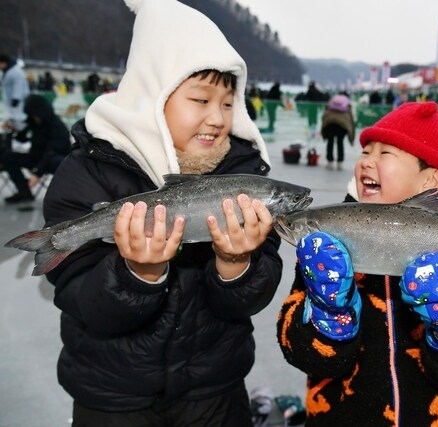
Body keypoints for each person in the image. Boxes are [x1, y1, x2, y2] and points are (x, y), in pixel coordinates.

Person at [42, 0, 282, 425]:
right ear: (152, 96)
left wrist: (235, 262)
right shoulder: (89, 170)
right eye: (200, 99)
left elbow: (249, 299)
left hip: (216, 390)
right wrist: (138, 272)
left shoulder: (244, 178)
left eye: (228, 103)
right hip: (112, 395)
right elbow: (83, 300)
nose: (217, 118)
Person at [277, 102, 438, 426]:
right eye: (365, 151)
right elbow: (302, 354)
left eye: (386, 154)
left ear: (430, 181)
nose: (367, 162)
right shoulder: (328, 246)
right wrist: (326, 311)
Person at [2, 93, 71, 204]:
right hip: (38, 157)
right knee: (8, 157)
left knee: (57, 161)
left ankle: (66, 196)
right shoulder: (34, 123)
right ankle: (24, 192)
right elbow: (23, 138)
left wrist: (38, 173)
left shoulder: (57, 126)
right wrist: (12, 131)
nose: (35, 118)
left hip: (53, 160)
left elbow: (52, 151)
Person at [320, 92, 355, 171]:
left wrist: (323, 130)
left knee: (330, 142)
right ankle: (340, 163)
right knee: (340, 142)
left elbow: (325, 114)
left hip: (330, 123)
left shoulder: (332, 101)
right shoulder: (347, 104)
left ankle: (329, 162)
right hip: (342, 125)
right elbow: (351, 121)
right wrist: (351, 139)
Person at [0, 53, 30, 133]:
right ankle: (14, 135)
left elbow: (19, 85)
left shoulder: (16, 72)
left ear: (4, 63)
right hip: (10, 101)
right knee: (11, 119)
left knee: (19, 119)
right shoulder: (5, 72)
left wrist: (16, 98)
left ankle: (21, 136)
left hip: (18, 101)